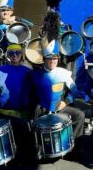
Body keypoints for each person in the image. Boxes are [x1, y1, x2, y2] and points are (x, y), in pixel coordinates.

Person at [30, 8, 85, 140]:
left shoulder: (64, 73)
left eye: (55, 58)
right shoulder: (35, 74)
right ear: (44, 59)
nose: (53, 61)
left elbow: (75, 91)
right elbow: (30, 95)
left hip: (60, 107)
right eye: (50, 59)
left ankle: (74, 144)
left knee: (80, 115)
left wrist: (66, 102)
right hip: (41, 109)